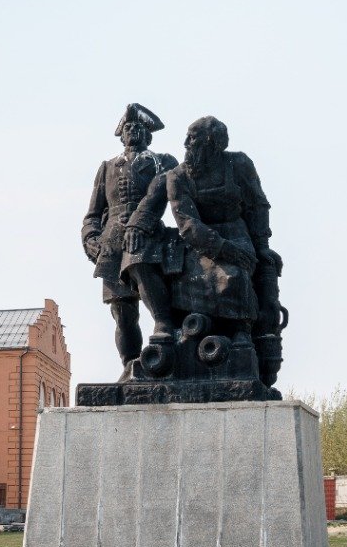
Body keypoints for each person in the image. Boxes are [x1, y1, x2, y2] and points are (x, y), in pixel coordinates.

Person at [127, 115, 275, 343]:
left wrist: (262, 246)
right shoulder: (177, 176)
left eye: (193, 137)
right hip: (200, 241)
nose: (186, 143)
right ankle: (191, 328)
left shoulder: (239, 164)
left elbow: (257, 205)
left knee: (236, 276)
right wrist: (223, 248)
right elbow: (187, 223)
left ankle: (241, 330)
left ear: (211, 141)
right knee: (207, 276)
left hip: (236, 233)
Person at [82, 104, 178, 368]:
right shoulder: (107, 167)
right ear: (121, 135)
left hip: (147, 235)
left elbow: (169, 199)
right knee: (122, 313)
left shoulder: (163, 162)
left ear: (148, 135)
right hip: (112, 243)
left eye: (139, 127)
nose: (133, 130)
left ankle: (164, 332)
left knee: (144, 276)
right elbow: (92, 214)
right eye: (128, 127)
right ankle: (130, 367)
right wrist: (90, 239)